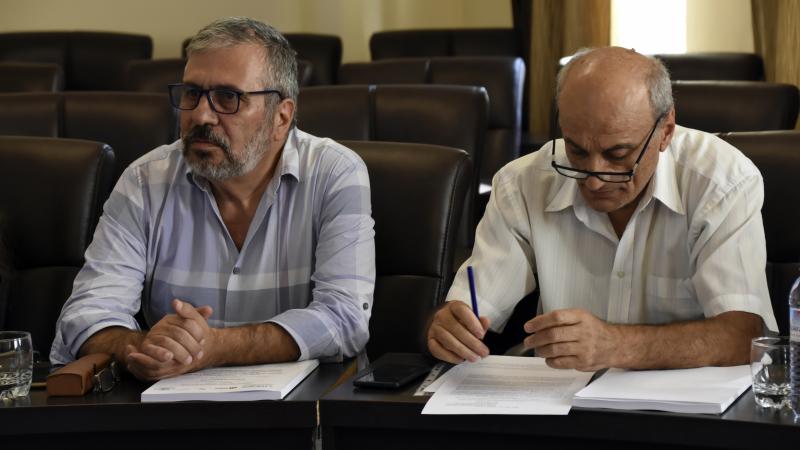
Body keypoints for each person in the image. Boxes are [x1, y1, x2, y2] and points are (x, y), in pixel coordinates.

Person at [50, 17, 375, 380]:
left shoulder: (335, 174)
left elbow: (344, 319)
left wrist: (213, 347)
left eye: (227, 98)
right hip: (171, 405)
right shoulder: (144, 180)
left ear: (281, 117)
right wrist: (144, 346)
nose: (201, 115)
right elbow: (85, 316)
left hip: (301, 407)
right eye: (192, 94)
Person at [426, 47, 777, 370]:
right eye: (576, 151)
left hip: (684, 408)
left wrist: (618, 345)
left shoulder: (722, 182)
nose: (594, 180)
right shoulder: (522, 183)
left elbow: (744, 335)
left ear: (666, 131)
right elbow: (473, 308)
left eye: (618, 155)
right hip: (557, 401)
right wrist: (450, 325)